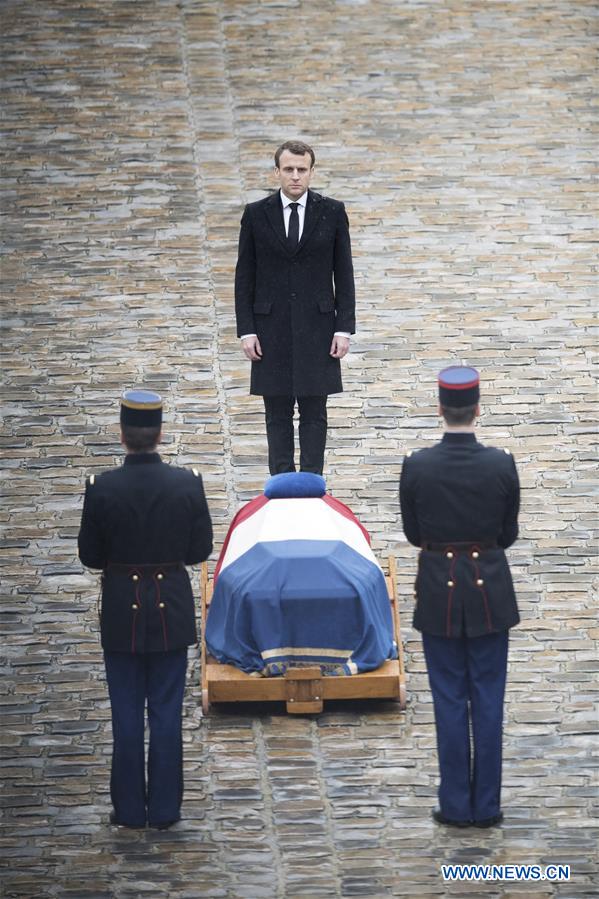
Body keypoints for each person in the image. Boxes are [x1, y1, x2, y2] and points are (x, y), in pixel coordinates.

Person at [78, 389, 213, 830]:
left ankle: (131, 810)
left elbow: (91, 556)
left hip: (121, 610)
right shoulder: (187, 482)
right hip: (169, 607)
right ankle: (167, 809)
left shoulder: (102, 488)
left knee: (126, 712)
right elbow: (199, 551)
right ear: (160, 434)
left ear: (122, 435)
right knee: (167, 712)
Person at [399, 366, 520, 828]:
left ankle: (455, 804)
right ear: (477, 408)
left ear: (440, 409)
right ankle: (486, 805)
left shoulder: (417, 464)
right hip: (490, 590)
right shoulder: (501, 463)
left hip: (438, 591)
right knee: (488, 700)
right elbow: (506, 534)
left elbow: (414, 534)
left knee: (449, 700)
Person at [234, 139, 356, 475]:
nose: (295, 176)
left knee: (315, 413)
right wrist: (247, 330)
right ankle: (282, 485)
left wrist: (343, 328)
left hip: (318, 329)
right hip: (270, 329)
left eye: (302, 170)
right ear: (277, 171)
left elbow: (343, 273)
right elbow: (245, 276)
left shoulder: (331, 211)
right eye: (288, 169)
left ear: (311, 172)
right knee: (276, 414)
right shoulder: (256, 215)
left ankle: (313, 484)